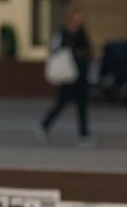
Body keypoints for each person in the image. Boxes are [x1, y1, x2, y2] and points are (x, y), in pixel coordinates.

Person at [36, 10, 93, 145]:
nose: (79, 21)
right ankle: (44, 125)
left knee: (82, 104)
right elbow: (54, 49)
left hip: (80, 73)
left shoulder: (81, 33)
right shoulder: (62, 33)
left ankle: (84, 134)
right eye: (76, 18)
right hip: (68, 73)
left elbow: (88, 49)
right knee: (62, 102)